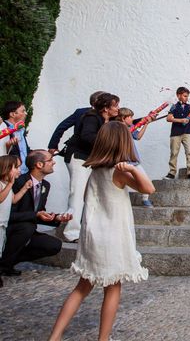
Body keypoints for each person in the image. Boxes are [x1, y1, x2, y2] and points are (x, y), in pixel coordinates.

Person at [49, 121, 155, 341]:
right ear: (123, 144)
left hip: (92, 236)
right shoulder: (120, 172)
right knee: (113, 287)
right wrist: (134, 168)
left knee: (81, 287)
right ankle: (103, 338)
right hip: (112, 237)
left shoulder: (95, 170)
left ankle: (55, 336)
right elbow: (149, 188)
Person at [0, 150, 71, 278]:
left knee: (54, 245)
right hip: (10, 229)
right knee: (27, 227)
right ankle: (4, 264)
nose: (53, 162)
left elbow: (39, 212)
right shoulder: (18, 182)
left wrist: (57, 217)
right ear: (39, 164)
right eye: (50, 160)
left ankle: (8, 261)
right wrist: (35, 215)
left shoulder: (46, 185)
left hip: (27, 230)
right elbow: (8, 214)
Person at [63, 93, 120, 242]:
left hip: (91, 161)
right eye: (115, 106)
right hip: (79, 158)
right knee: (77, 194)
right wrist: (109, 144)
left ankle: (86, 229)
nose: (118, 109)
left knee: (91, 194)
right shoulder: (92, 117)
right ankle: (71, 232)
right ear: (106, 108)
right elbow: (87, 136)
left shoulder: (108, 120)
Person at [0, 155, 33, 288]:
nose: (19, 170)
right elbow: (1, 198)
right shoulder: (3, 184)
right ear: (6, 169)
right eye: (16, 167)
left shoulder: (8, 185)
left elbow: (13, 199)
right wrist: (10, 184)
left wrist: (24, 188)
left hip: (3, 224)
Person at [47, 90, 106, 156]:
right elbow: (62, 127)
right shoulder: (80, 112)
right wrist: (53, 146)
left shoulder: (110, 114)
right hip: (78, 152)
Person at [116, 107, 153, 207]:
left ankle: (145, 199)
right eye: (130, 117)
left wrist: (146, 123)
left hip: (133, 160)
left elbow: (138, 136)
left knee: (144, 179)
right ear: (123, 118)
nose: (132, 119)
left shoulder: (131, 127)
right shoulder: (116, 128)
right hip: (122, 161)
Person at [166, 87, 190, 179]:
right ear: (178, 95)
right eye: (185, 96)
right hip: (175, 133)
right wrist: (181, 120)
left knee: (189, 152)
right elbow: (169, 118)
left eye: (187, 96)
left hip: (187, 133)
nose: (186, 98)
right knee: (174, 153)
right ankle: (172, 172)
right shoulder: (174, 106)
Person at [1, 101, 30, 174]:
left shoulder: (21, 129)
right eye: (23, 111)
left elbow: (24, 151)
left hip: (25, 172)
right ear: (12, 114)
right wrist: (8, 146)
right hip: (11, 173)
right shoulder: (3, 127)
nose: (26, 114)